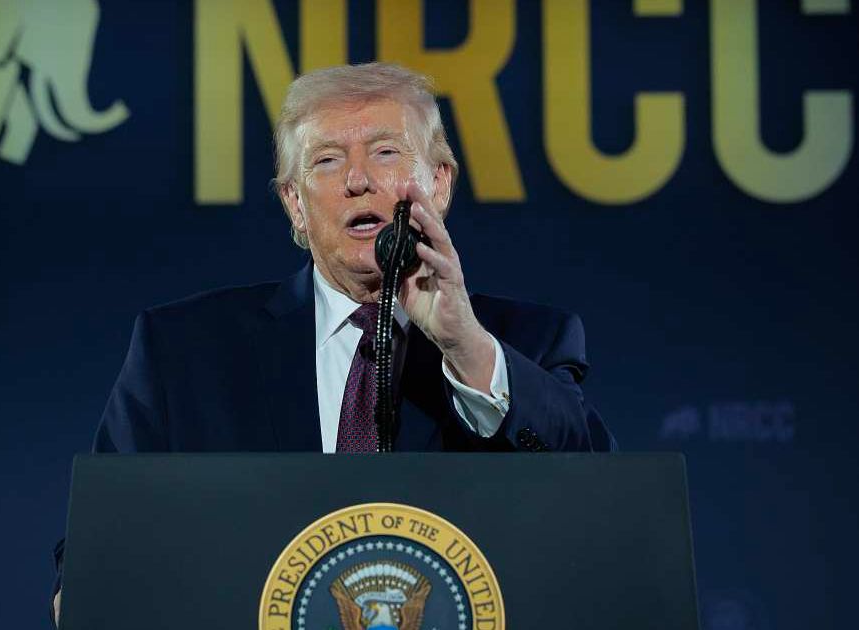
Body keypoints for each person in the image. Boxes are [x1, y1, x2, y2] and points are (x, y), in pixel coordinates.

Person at [52, 62, 614, 625]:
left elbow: (602, 505)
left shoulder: (526, 342)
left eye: (386, 152)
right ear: (295, 203)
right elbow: (102, 539)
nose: (357, 179)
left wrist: (463, 343)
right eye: (326, 160)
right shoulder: (181, 352)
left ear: (440, 182)